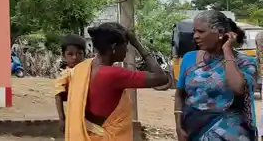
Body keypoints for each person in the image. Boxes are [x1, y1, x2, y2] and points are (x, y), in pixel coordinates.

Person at [65, 22, 169, 140]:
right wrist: (137, 44)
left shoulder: (83, 68)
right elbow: (161, 78)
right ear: (114, 47)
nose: (127, 50)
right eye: (126, 45)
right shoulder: (113, 74)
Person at [174, 10, 257, 141]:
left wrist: (227, 51)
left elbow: (238, 88)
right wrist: (178, 126)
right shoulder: (189, 58)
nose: (195, 36)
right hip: (194, 131)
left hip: (231, 135)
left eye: (201, 32)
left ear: (219, 33)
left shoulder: (246, 62)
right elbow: (180, 94)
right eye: (194, 31)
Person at [55, 34, 87, 131]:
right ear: (63, 55)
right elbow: (58, 95)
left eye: (79, 53)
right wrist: (62, 118)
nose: (75, 57)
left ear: (84, 54)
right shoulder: (65, 75)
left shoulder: (89, 71)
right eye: (70, 54)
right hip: (75, 116)